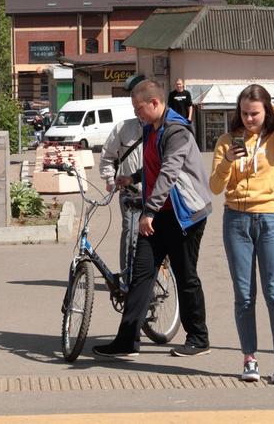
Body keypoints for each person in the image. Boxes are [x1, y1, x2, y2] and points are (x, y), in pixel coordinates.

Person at [94, 79, 213, 359]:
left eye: (139, 108)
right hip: (159, 215)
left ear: (155, 103)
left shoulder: (177, 132)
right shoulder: (151, 129)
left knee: (186, 277)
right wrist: (132, 178)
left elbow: (169, 172)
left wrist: (148, 212)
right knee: (141, 275)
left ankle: (198, 338)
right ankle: (126, 341)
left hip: (185, 216)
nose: (137, 113)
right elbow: (151, 166)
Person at [209, 84, 274, 385]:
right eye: (244, 113)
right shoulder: (227, 141)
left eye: (255, 113)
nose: (249, 119)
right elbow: (214, 187)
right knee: (244, 295)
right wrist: (227, 162)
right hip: (236, 220)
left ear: (264, 112)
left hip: (271, 218)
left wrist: (273, 108)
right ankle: (249, 358)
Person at [98, 73, 147, 281]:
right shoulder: (123, 128)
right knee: (130, 233)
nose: (139, 112)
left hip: (158, 192)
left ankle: (154, 276)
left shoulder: (163, 129)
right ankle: (127, 277)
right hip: (130, 192)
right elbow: (107, 157)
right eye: (136, 108)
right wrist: (110, 180)